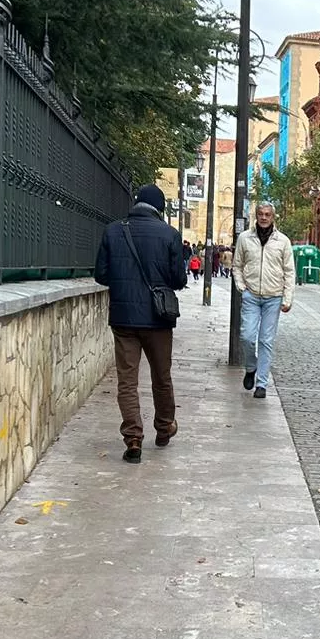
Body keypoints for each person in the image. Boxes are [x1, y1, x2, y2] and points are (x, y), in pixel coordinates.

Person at [92, 184, 189, 463]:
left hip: (123, 319)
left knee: (127, 381)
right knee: (161, 376)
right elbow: (179, 280)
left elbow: (101, 274)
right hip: (158, 320)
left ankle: (133, 438)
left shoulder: (113, 230)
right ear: (159, 208)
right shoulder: (169, 234)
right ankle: (164, 427)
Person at [233, 203, 296, 400]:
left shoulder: (282, 241)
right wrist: (241, 287)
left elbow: (289, 271)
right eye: (260, 214)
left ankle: (261, 383)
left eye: (267, 214)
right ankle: (251, 368)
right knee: (247, 337)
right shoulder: (245, 238)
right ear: (256, 216)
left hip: (274, 297)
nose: (263, 217)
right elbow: (237, 265)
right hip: (251, 295)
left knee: (266, 341)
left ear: (273, 217)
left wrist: (288, 298)